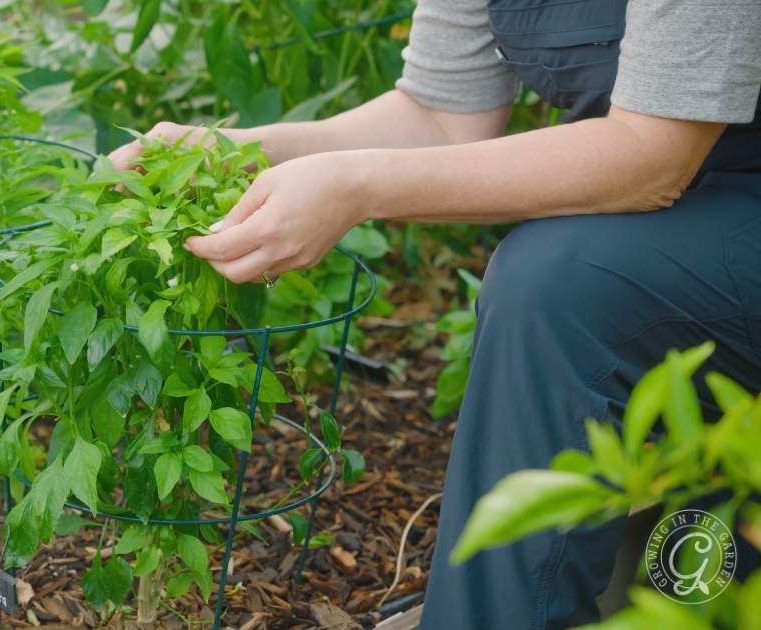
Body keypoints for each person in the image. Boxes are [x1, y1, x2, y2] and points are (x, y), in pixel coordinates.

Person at [109, 0, 760, 628]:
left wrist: (358, 188)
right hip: (672, 226)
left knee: (557, 284)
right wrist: (232, 154)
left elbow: (652, 154)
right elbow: (439, 114)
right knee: (564, 276)